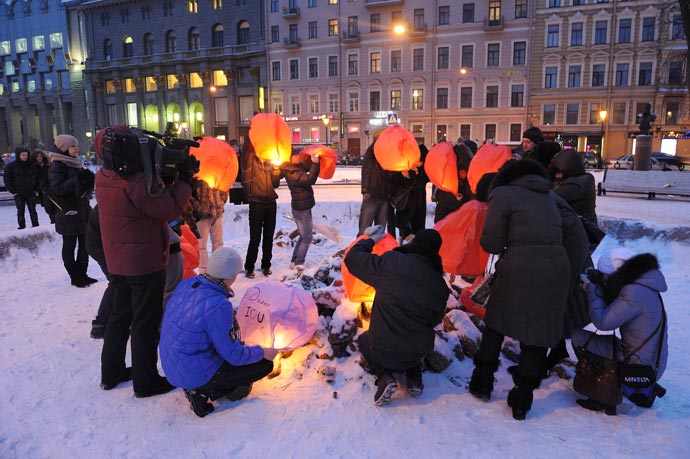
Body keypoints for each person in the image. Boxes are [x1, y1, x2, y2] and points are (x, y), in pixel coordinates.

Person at [95, 125, 193, 398]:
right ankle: (146, 381)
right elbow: (169, 210)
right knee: (145, 323)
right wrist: (183, 181)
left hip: (117, 261)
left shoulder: (103, 176)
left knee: (118, 317)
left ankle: (111, 373)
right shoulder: (137, 181)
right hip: (144, 263)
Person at [469, 159, 570, 420]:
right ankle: (522, 399)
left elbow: (491, 243)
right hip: (557, 269)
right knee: (537, 334)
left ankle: (482, 382)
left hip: (518, 268)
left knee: (496, 325)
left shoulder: (503, 194)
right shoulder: (549, 196)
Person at [160, 247, 277, 417]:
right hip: (193, 373)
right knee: (265, 365)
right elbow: (234, 355)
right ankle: (205, 391)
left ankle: (199, 386)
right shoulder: (219, 305)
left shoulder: (188, 284)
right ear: (231, 275)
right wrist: (263, 352)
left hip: (173, 365)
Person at [344, 228, 449, 406]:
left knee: (364, 339)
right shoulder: (440, 286)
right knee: (413, 336)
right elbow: (434, 322)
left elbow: (352, 259)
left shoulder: (392, 262)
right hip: (417, 352)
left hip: (384, 348)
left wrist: (370, 240)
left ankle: (385, 376)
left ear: (414, 243)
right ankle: (414, 377)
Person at [573, 248, 668, 415]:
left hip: (638, 365)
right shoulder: (645, 284)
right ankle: (636, 389)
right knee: (604, 344)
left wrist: (591, 289)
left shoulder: (634, 292)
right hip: (653, 361)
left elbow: (603, 322)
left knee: (579, 337)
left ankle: (605, 395)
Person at [48, 135, 97, 288]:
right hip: (68, 213)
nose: (76, 149)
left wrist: (88, 183)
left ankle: (83, 273)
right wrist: (77, 179)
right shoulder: (57, 166)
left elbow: (84, 188)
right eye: (72, 146)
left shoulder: (77, 164)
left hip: (83, 211)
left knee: (85, 246)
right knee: (69, 246)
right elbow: (57, 189)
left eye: (76, 146)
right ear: (63, 148)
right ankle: (75, 277)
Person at [240, 139, 282, 278]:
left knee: (268, 237)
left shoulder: (271, 163)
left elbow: (275, 184)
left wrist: (276, 171)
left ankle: (266, 265)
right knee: (255, 237)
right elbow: (246, 150)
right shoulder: (251, 162)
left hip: (270, 203)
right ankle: (249, 266)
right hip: (256, 203)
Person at [281, 149, 320, 268]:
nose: (298, 157)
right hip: (302, 209)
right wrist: (315, 164)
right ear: (290, 158)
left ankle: (295, 260)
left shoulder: (295, 168)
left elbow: (306, 168)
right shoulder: (293, 172)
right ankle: (299, 263)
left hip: (301, 207)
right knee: (307, 237)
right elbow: (310, 180)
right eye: (295, 155)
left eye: (299, 155)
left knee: (303, 236)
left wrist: (314, 160)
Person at [85, 204, 113, 339]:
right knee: (118, 281)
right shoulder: (109, 203)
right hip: (102, 247)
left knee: (121, 281)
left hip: (102, 245)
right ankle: (100, 324)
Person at [549, 149, 598, 224]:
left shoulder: (575, 185)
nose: (557, 176)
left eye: (559, 172)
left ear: (569, 169)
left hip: (581, 230)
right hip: (580, 228)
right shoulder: (583, 179)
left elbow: (549, 197)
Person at [190, 178, 228, 274]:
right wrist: (197, 207)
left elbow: (224, 188)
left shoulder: (216, 172)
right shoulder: (196, 174)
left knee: (218, 243)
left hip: (217, 212)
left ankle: (217, 270)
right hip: (202, 215)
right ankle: (204, 272)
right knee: (201, 246)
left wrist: (221, 201)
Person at [357, 140, 391, 236]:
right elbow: (372, 150)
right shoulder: (370, 157)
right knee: (364, 228)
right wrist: (384, 138)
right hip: (371, 194)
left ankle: (378, 249)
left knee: (379, 230)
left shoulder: (389, 161)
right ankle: (359, 248)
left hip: (384, 196)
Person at [433, 143, 473, 223]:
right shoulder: (466, 164)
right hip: (452, 200)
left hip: (449, 200)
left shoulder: (449, 161)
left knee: (442, 226)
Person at [3, 147, 40, 230]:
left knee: (33, 211)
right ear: (18, 155)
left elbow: (38, 178)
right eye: (23, 155)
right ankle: (22, 227)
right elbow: (7, 180)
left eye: (26, 155)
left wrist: (36, 190)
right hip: (19, 193)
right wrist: (13, 191)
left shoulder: (32, 166)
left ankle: (36, 226)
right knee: (20, 211)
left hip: (31, 192)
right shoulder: (11, 166)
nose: (25, 156)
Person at [32, 149, 56, 223]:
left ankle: (54, 221)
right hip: (41, 190)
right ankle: (53, 221)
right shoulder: (33, 167)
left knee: (53, 206)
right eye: (37, 156)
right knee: (48, 207)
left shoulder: (47, 165)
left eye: (40, 156)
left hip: (50, 188)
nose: (39, 158)